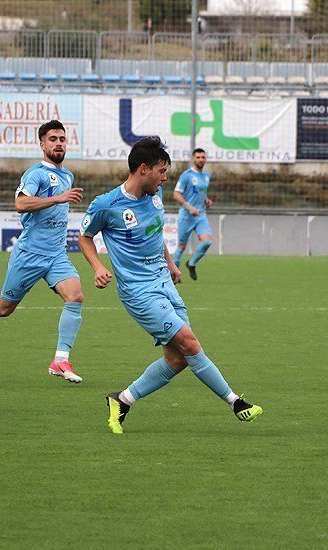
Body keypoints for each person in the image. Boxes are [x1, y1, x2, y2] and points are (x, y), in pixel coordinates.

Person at [78, 137, 263, 434]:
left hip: (164, 281)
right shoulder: (107, 205)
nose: (165, 178)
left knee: (178, 359)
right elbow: (84, 237)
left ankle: (122, 400)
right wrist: (98, 266)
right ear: (143, 169)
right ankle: (235, 402)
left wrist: (171, 262)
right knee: (190, 343)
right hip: (139, 292)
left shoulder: (156, 193)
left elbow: (154, 233)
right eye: (161, 171)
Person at [0, 120, 86, 383]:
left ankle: (60, 359)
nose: (58, 143)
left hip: (56, 255)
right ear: (42, 144)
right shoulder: (36, 174)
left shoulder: (68, 175)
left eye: (62, 139)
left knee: (75, 297)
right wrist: (57, 198)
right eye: (53, 139)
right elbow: (20, 204)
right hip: (29, 254)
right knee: (4, 308)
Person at [171, 148, 213, 280]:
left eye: (203, 157)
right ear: (193, 159)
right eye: (198, 157)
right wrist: (189, 207)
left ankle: (191, 263)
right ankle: (174, 276)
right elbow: (176, 194)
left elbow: (201, 192)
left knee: (207, 242)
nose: (201, 159)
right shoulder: (186, 175)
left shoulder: (206, 176)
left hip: (200, 215)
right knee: (181, 247)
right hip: (186, 216)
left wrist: (206, 200)